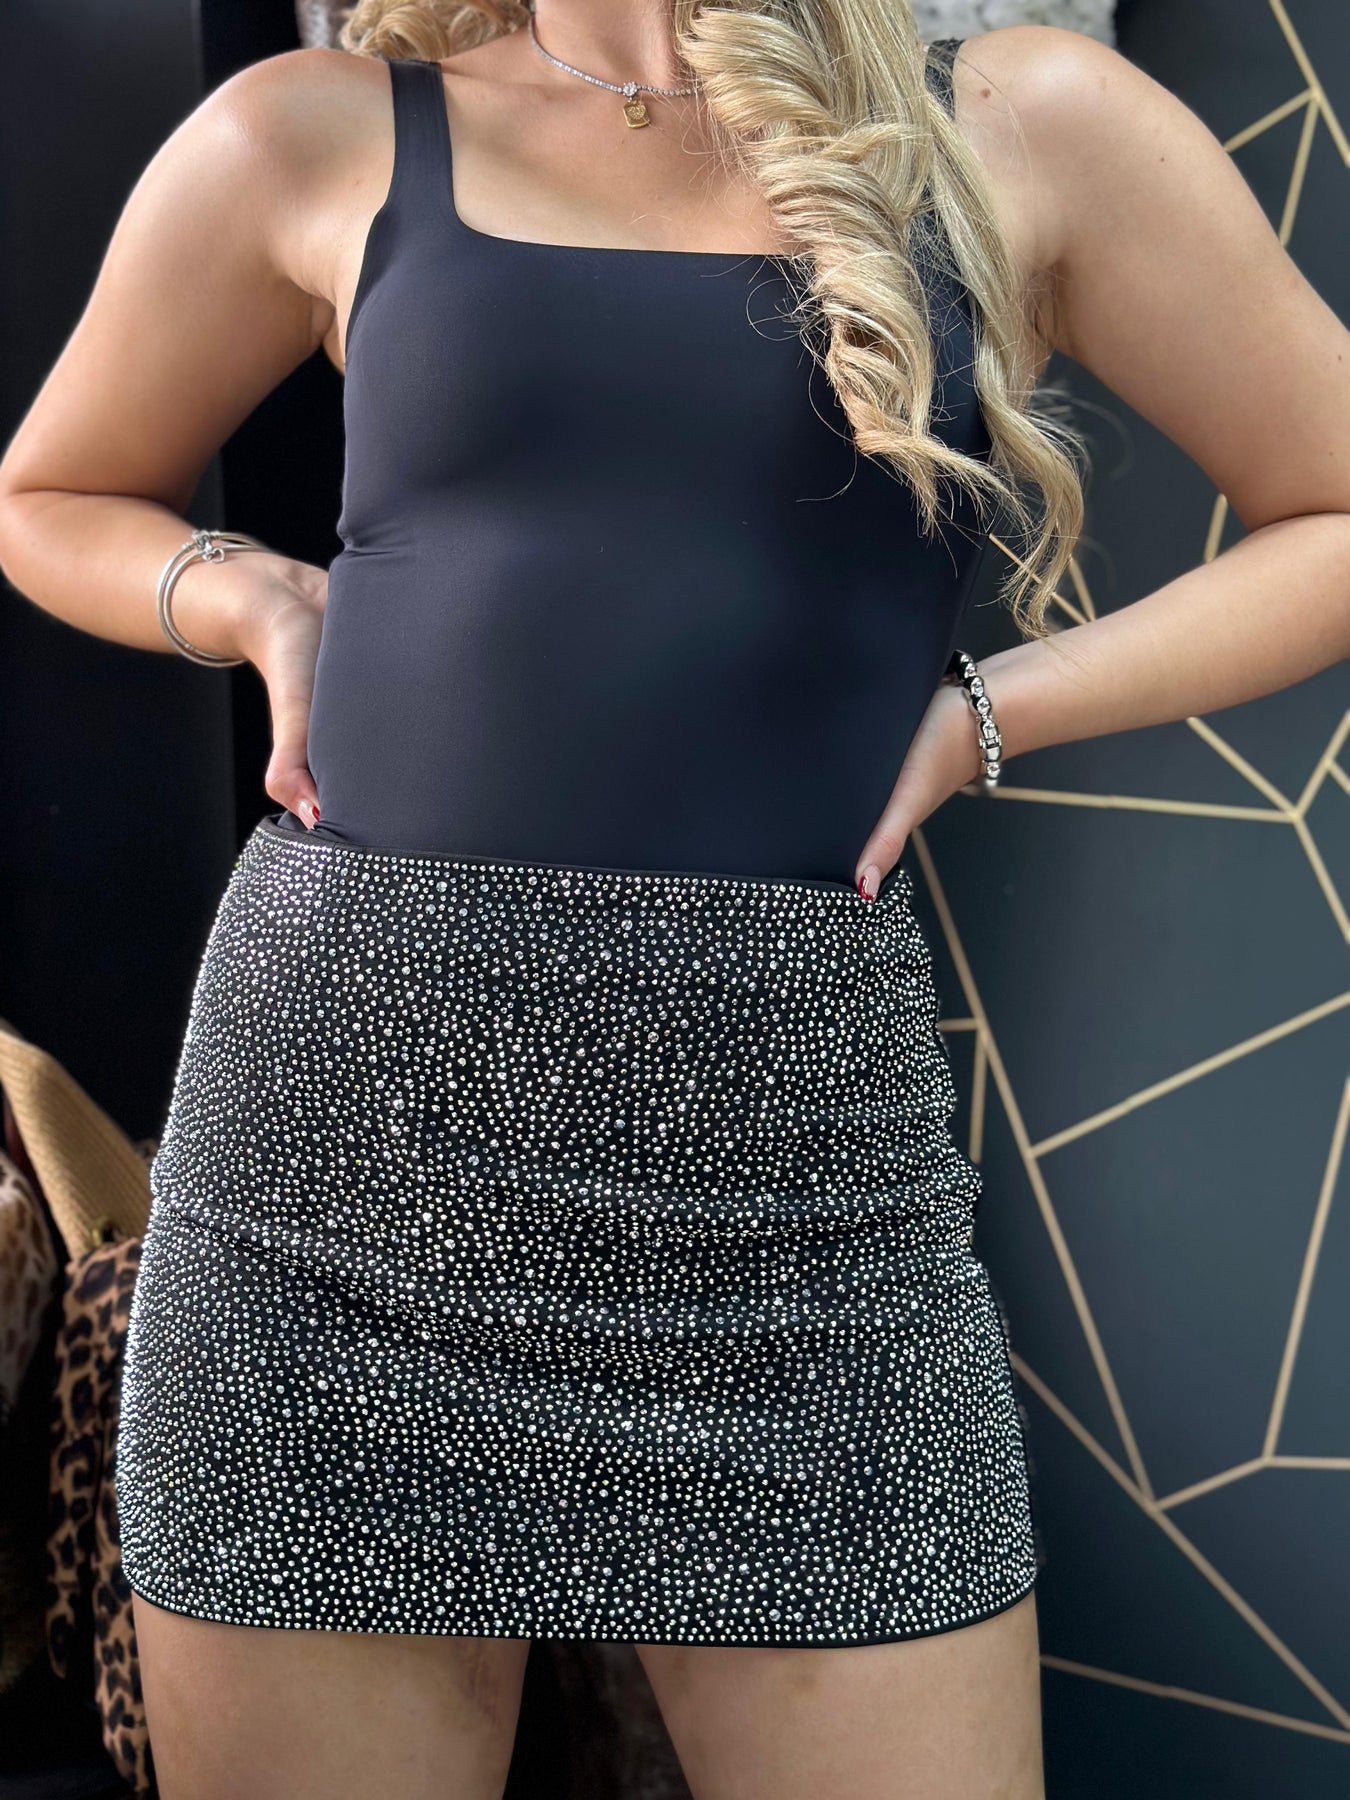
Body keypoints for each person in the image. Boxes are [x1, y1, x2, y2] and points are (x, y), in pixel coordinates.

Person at [1, 3, 1346, 1795]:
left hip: (802, 1204)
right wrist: (253, 599)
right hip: (337, 1185)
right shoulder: (306, 129)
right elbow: (52, 489)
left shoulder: (1022, 117)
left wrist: (983, 715)